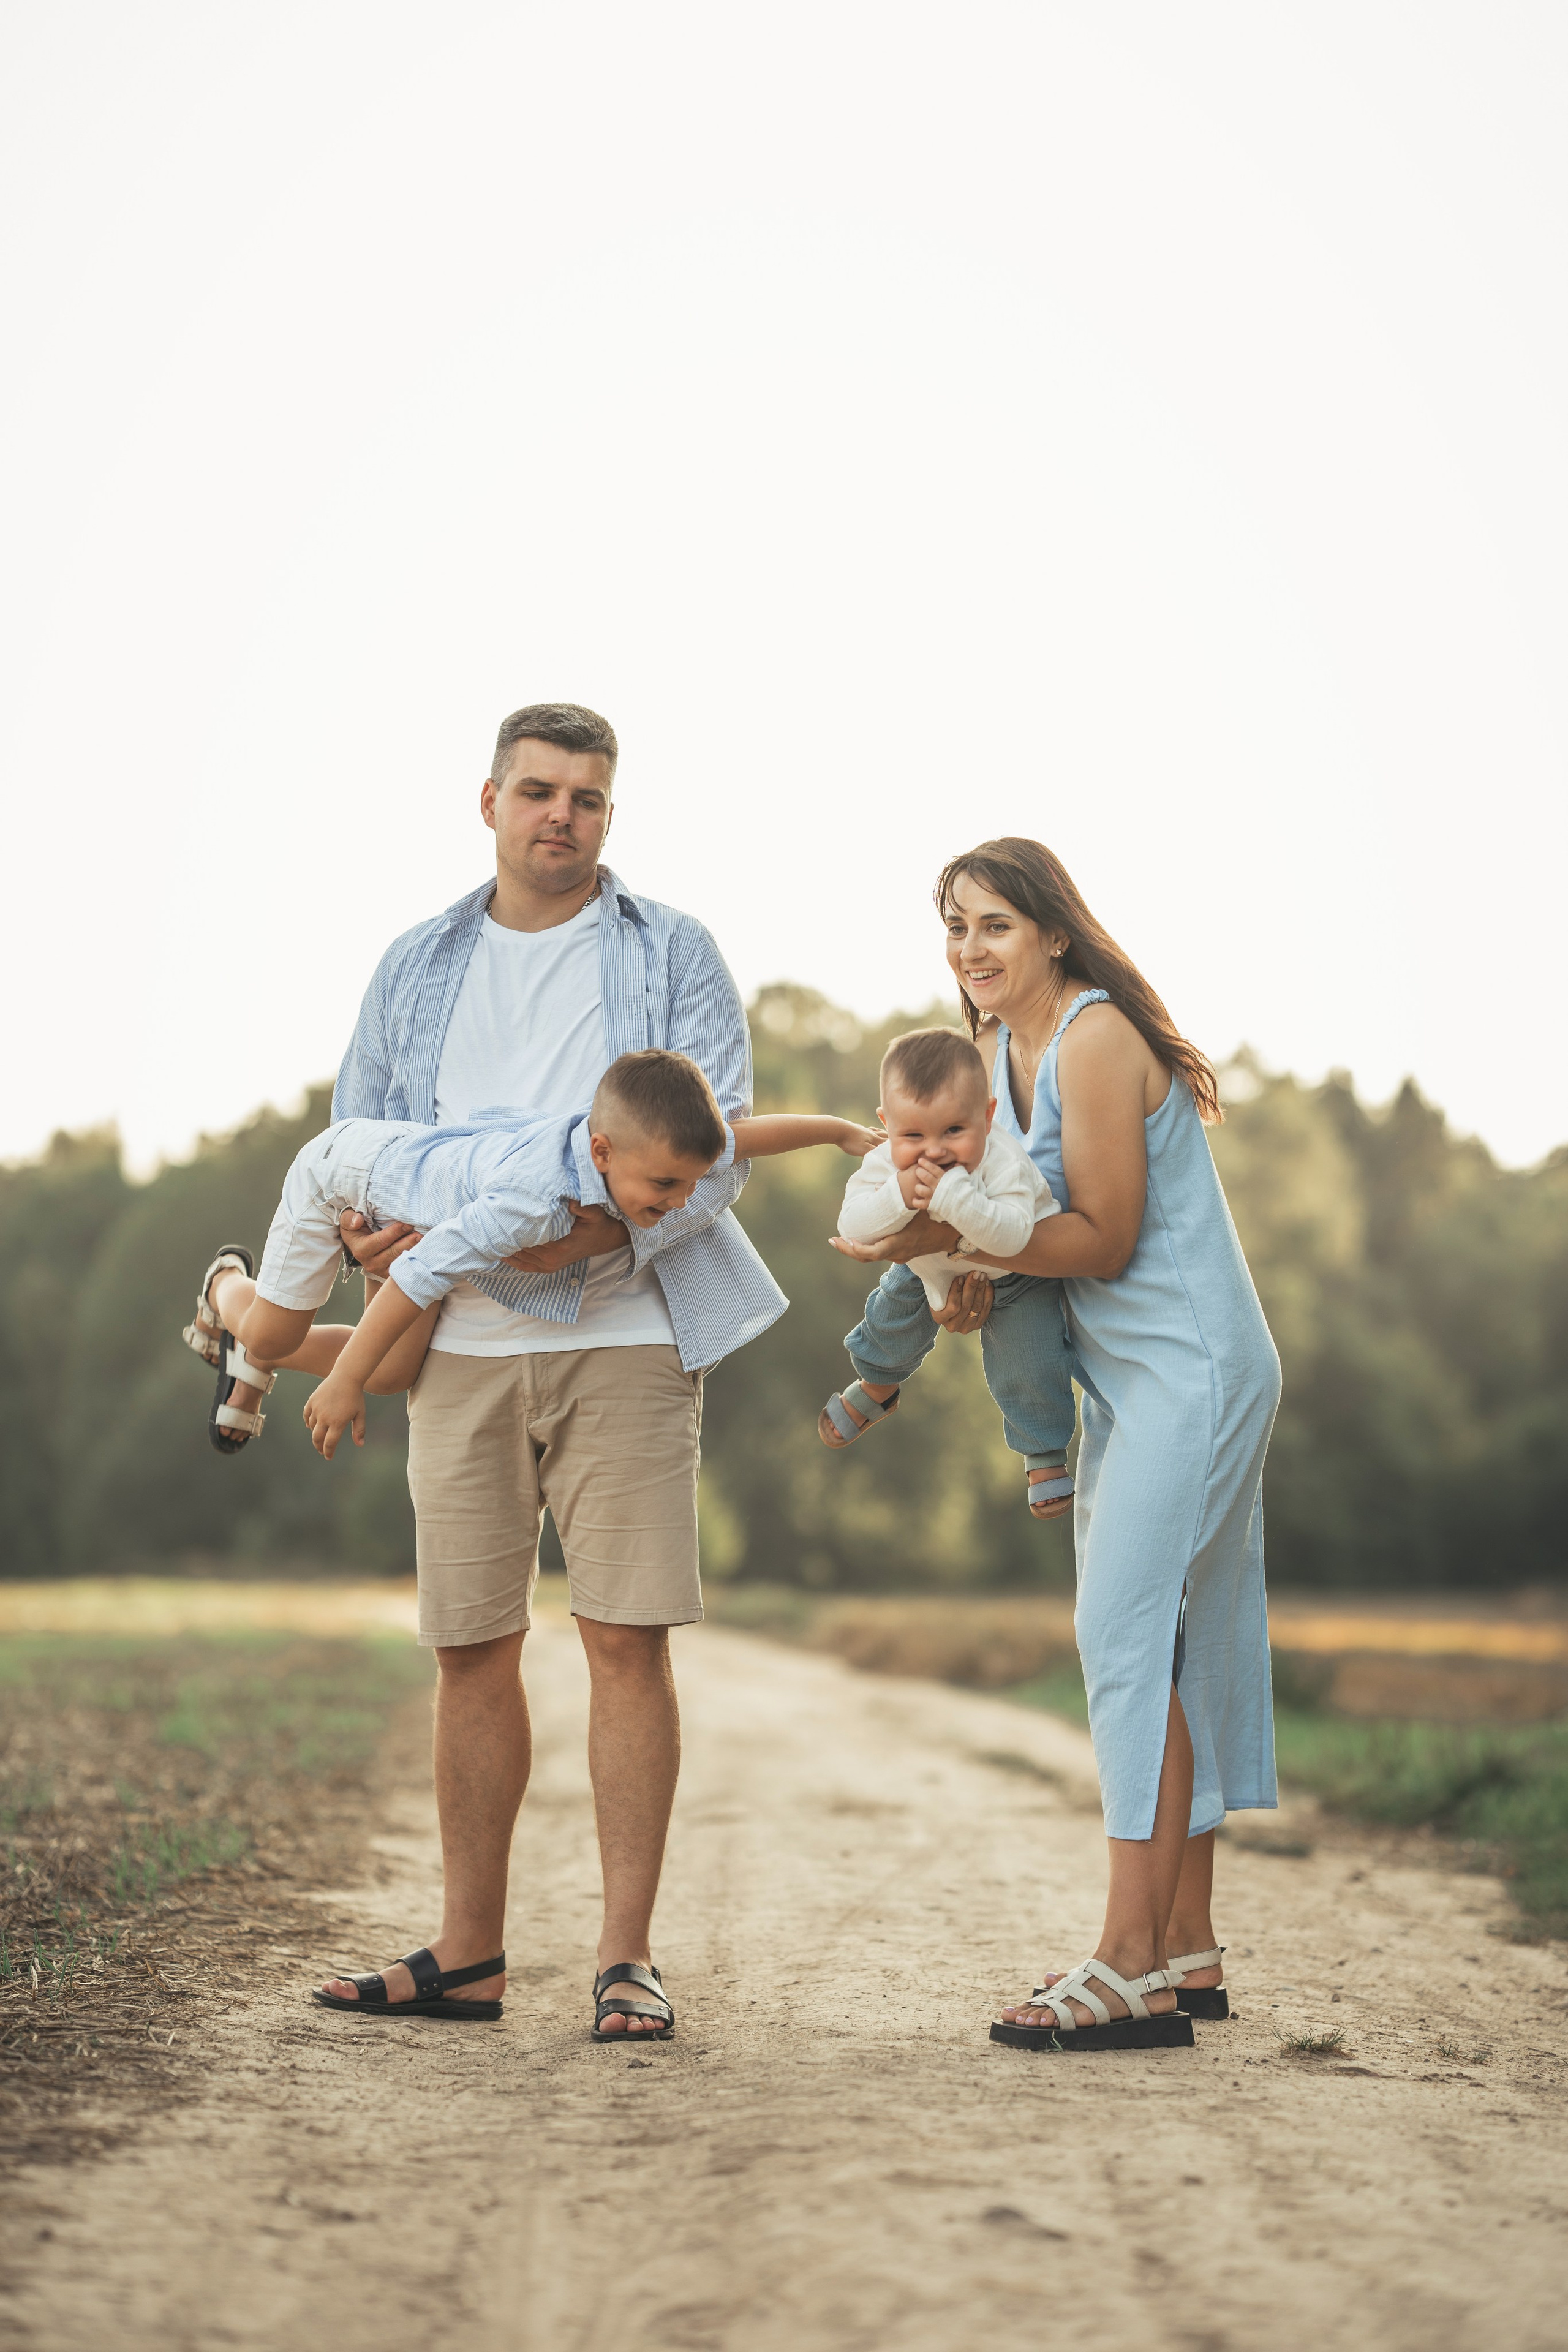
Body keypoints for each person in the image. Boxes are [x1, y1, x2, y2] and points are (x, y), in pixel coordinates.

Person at [290, 699, 829, 2038]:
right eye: (536, 793)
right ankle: (467, 1956)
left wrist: (575, 1232)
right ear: (488, 802)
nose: (560, 818)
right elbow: (360, 1138)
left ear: (609, 813)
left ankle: (625, 1960)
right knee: (468, 1649)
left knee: (623, 1642)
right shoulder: (415, 964)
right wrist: (372, 1235)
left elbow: (710, 1164)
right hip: (459, 1345)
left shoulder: (673, 952)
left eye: (586, 799)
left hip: (631, 1339)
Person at [834, 836, 1281, 2051]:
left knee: (1120, 1631)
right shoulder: (985, 1056)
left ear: (1052, 933)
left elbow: (1099, 1241)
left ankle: (1127, 1963)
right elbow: (1020, 1237)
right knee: (1173, 1639)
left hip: (1191, 1365)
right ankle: (1182, 1946)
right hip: (1121, 1380)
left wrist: (960, 1237)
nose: (969, 950)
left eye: (992, 925)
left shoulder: (1091, 1040)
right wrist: (960, 1280)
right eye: (955, 927)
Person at [181, 1051, 876, 1461]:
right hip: (345, 1177)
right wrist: (341, 1384)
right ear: (601, 1153)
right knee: (276, 1333)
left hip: (423, 1191)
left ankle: (251, 1359)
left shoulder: (646, 1147)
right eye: (665, 1187)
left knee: (394, 1370)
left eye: (690, 1184)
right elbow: (415, 1281)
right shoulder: (532, 1202)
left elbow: (745, 1138)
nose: (680, 1202)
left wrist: (841, 1132)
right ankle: (225, 1289)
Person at [816, 1025, 1077, 1521]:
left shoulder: (1004, 1162)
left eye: (954, 1131)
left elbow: (1014, 1237)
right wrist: (898, 1194)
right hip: (927, 1264)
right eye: (912, 1135)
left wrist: (956, 1199)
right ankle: (877, 1386)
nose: (934, 1152)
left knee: (1031, 1359)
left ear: (987, 1115)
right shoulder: (884, 1164)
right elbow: (852, 1224)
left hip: (1017, 1274)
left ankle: (1042, 1452)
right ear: (886, 1125)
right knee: (892, 1314)